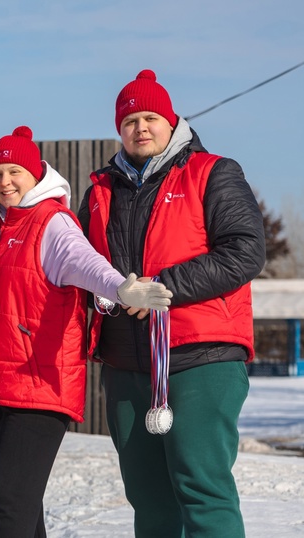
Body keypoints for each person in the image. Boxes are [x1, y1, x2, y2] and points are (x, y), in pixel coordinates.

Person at [78, 70, 266, 538]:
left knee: (202, 488)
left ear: (171, 120)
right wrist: (111, 294)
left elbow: (245, 249)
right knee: (148, 499)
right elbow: (81, 266)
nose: (140, 128)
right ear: (119, 129)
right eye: (130, 120)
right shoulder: (100, 191)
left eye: (150, 117)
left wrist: (163, 286)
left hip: (200, 355)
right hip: (126, 363)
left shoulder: (213, 172)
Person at [0, 126, 172, 538]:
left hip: (38, 384)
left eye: (14, 172)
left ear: (35, 174)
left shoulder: (52, 223)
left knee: (9, 505)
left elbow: (84, 262)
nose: (5, 182)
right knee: (23, 508)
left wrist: (119, 286)